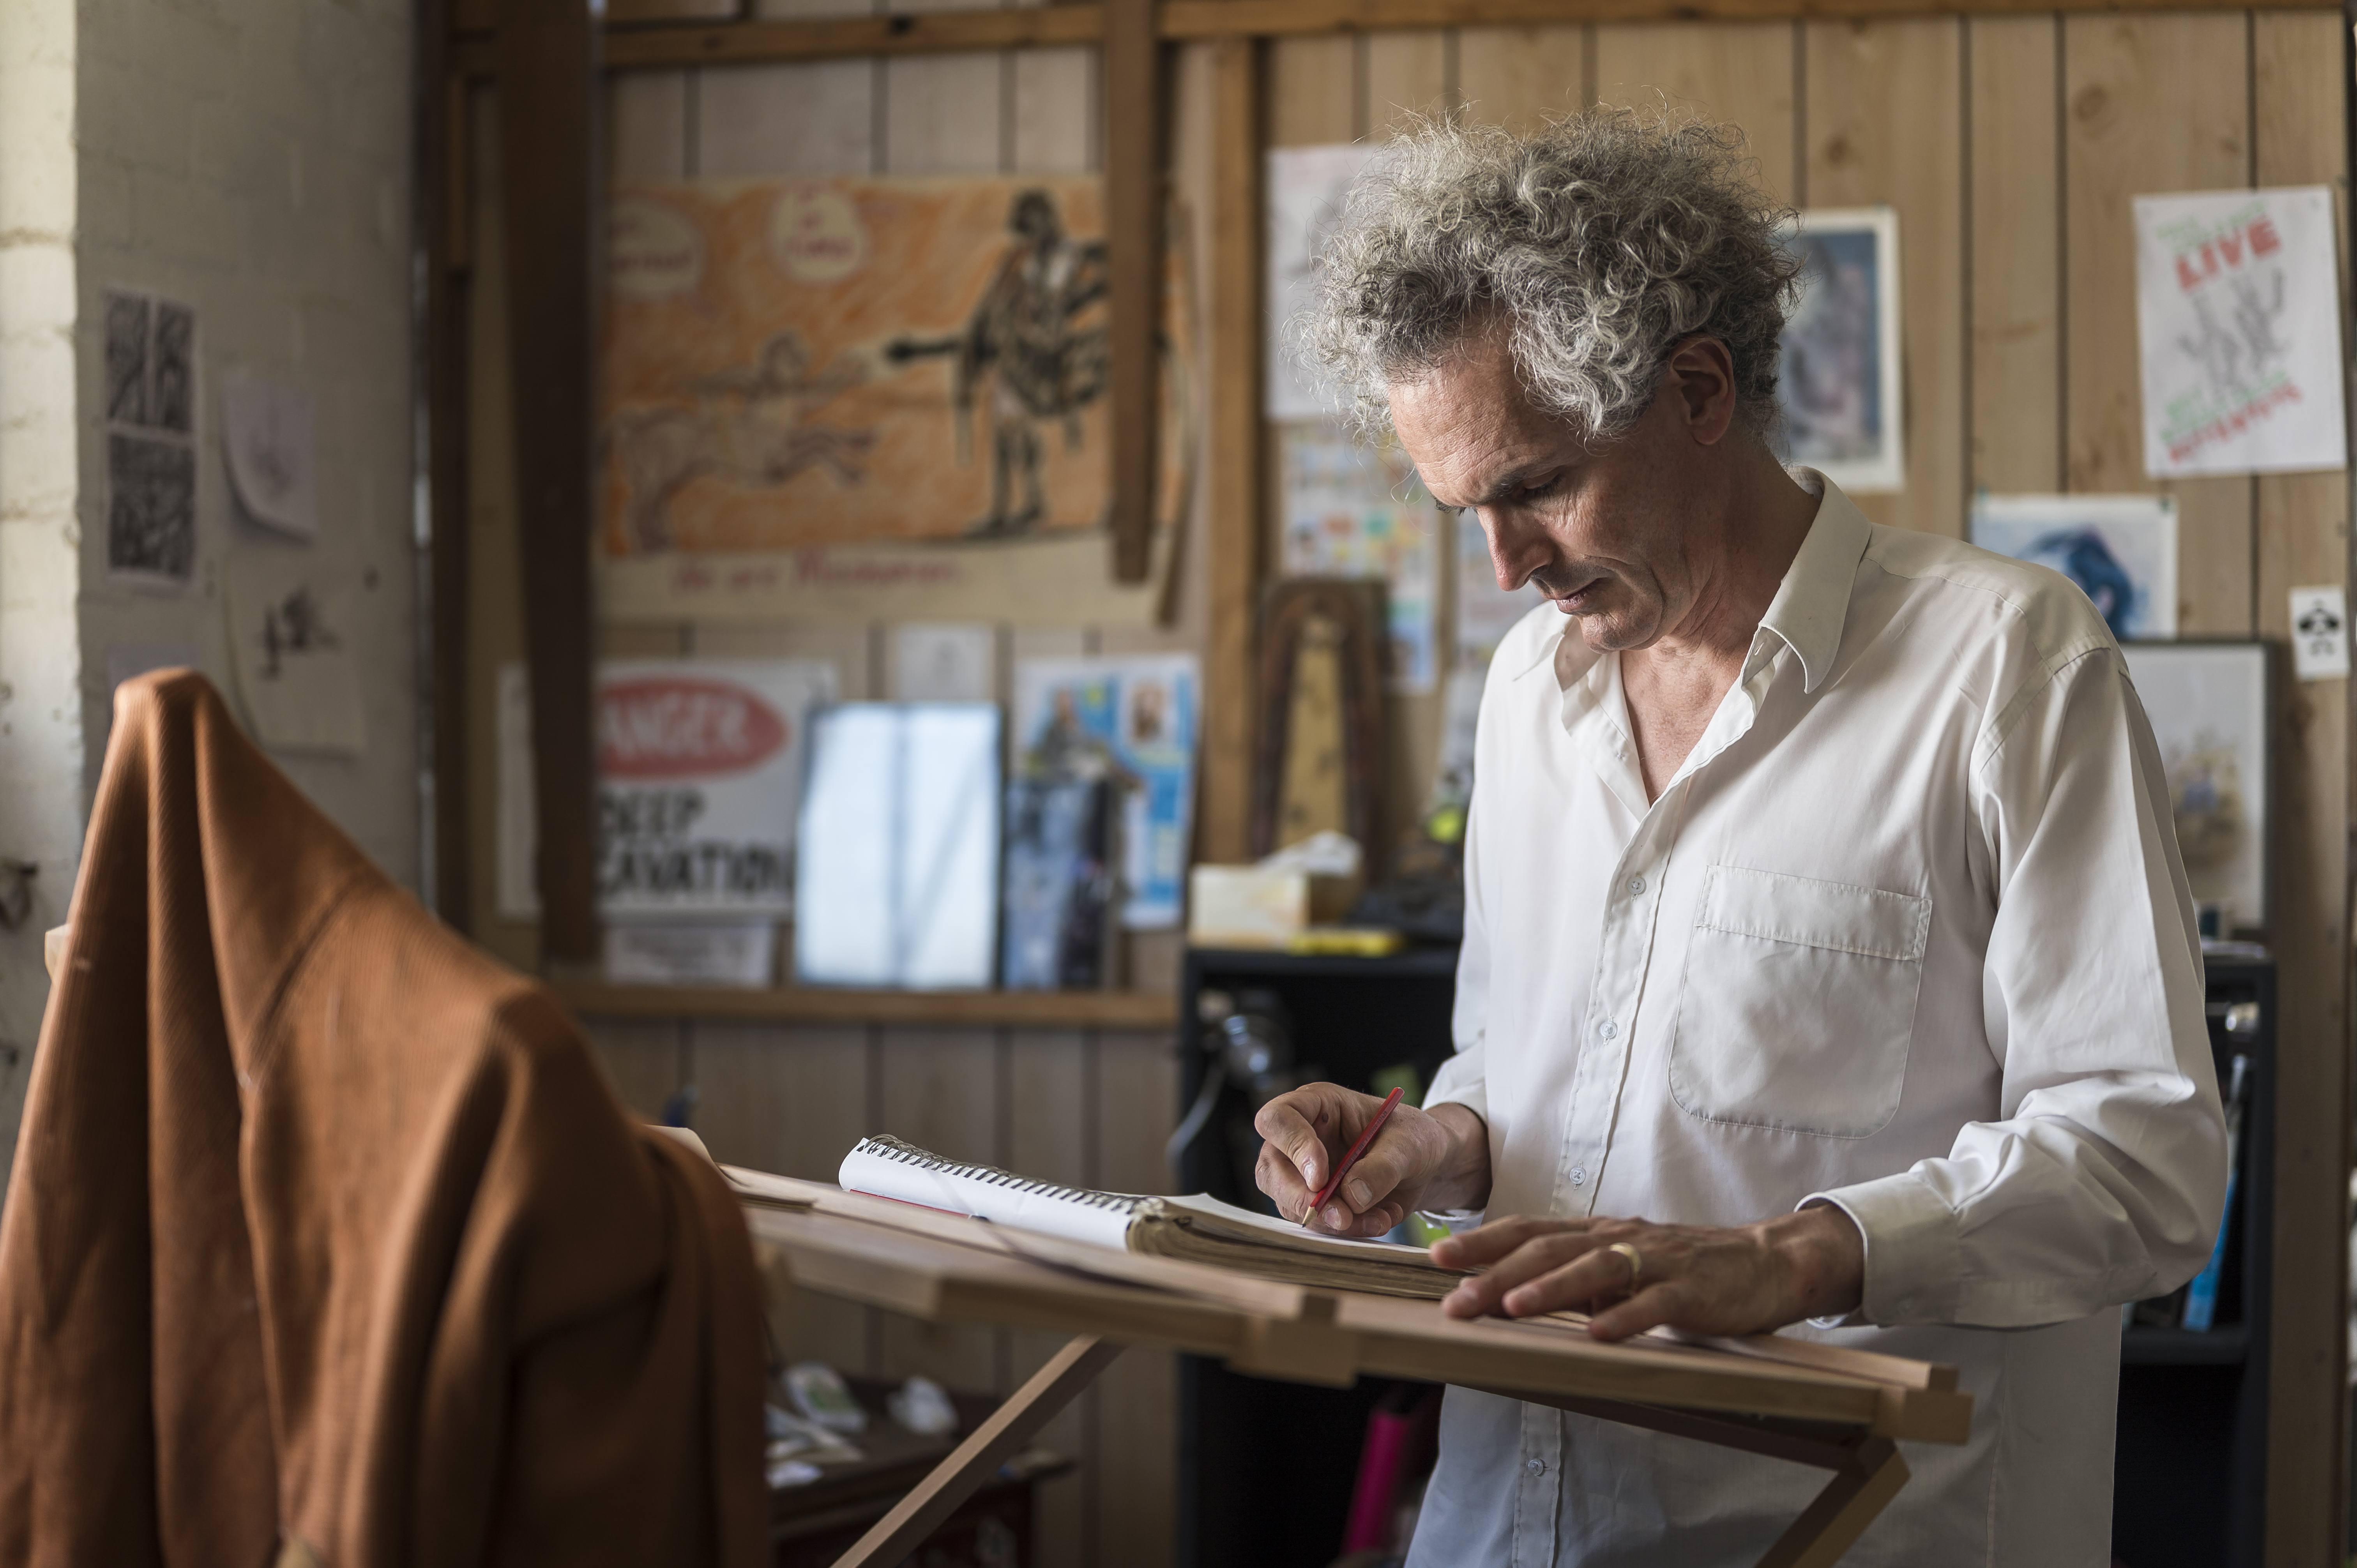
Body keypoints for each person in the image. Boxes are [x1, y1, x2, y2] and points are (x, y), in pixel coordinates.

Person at [1254, 109, 2225, 1566]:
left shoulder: (2006, 665)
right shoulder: (1531, 691)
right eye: (1465, 509)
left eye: (1533, 487)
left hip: (1845, 1530)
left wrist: (1796, 1254)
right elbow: (1531, 1078)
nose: (1507, 567)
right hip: (1506, 1523)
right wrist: (1432, 1145)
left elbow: (2144, 1161)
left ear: (1699, 388)